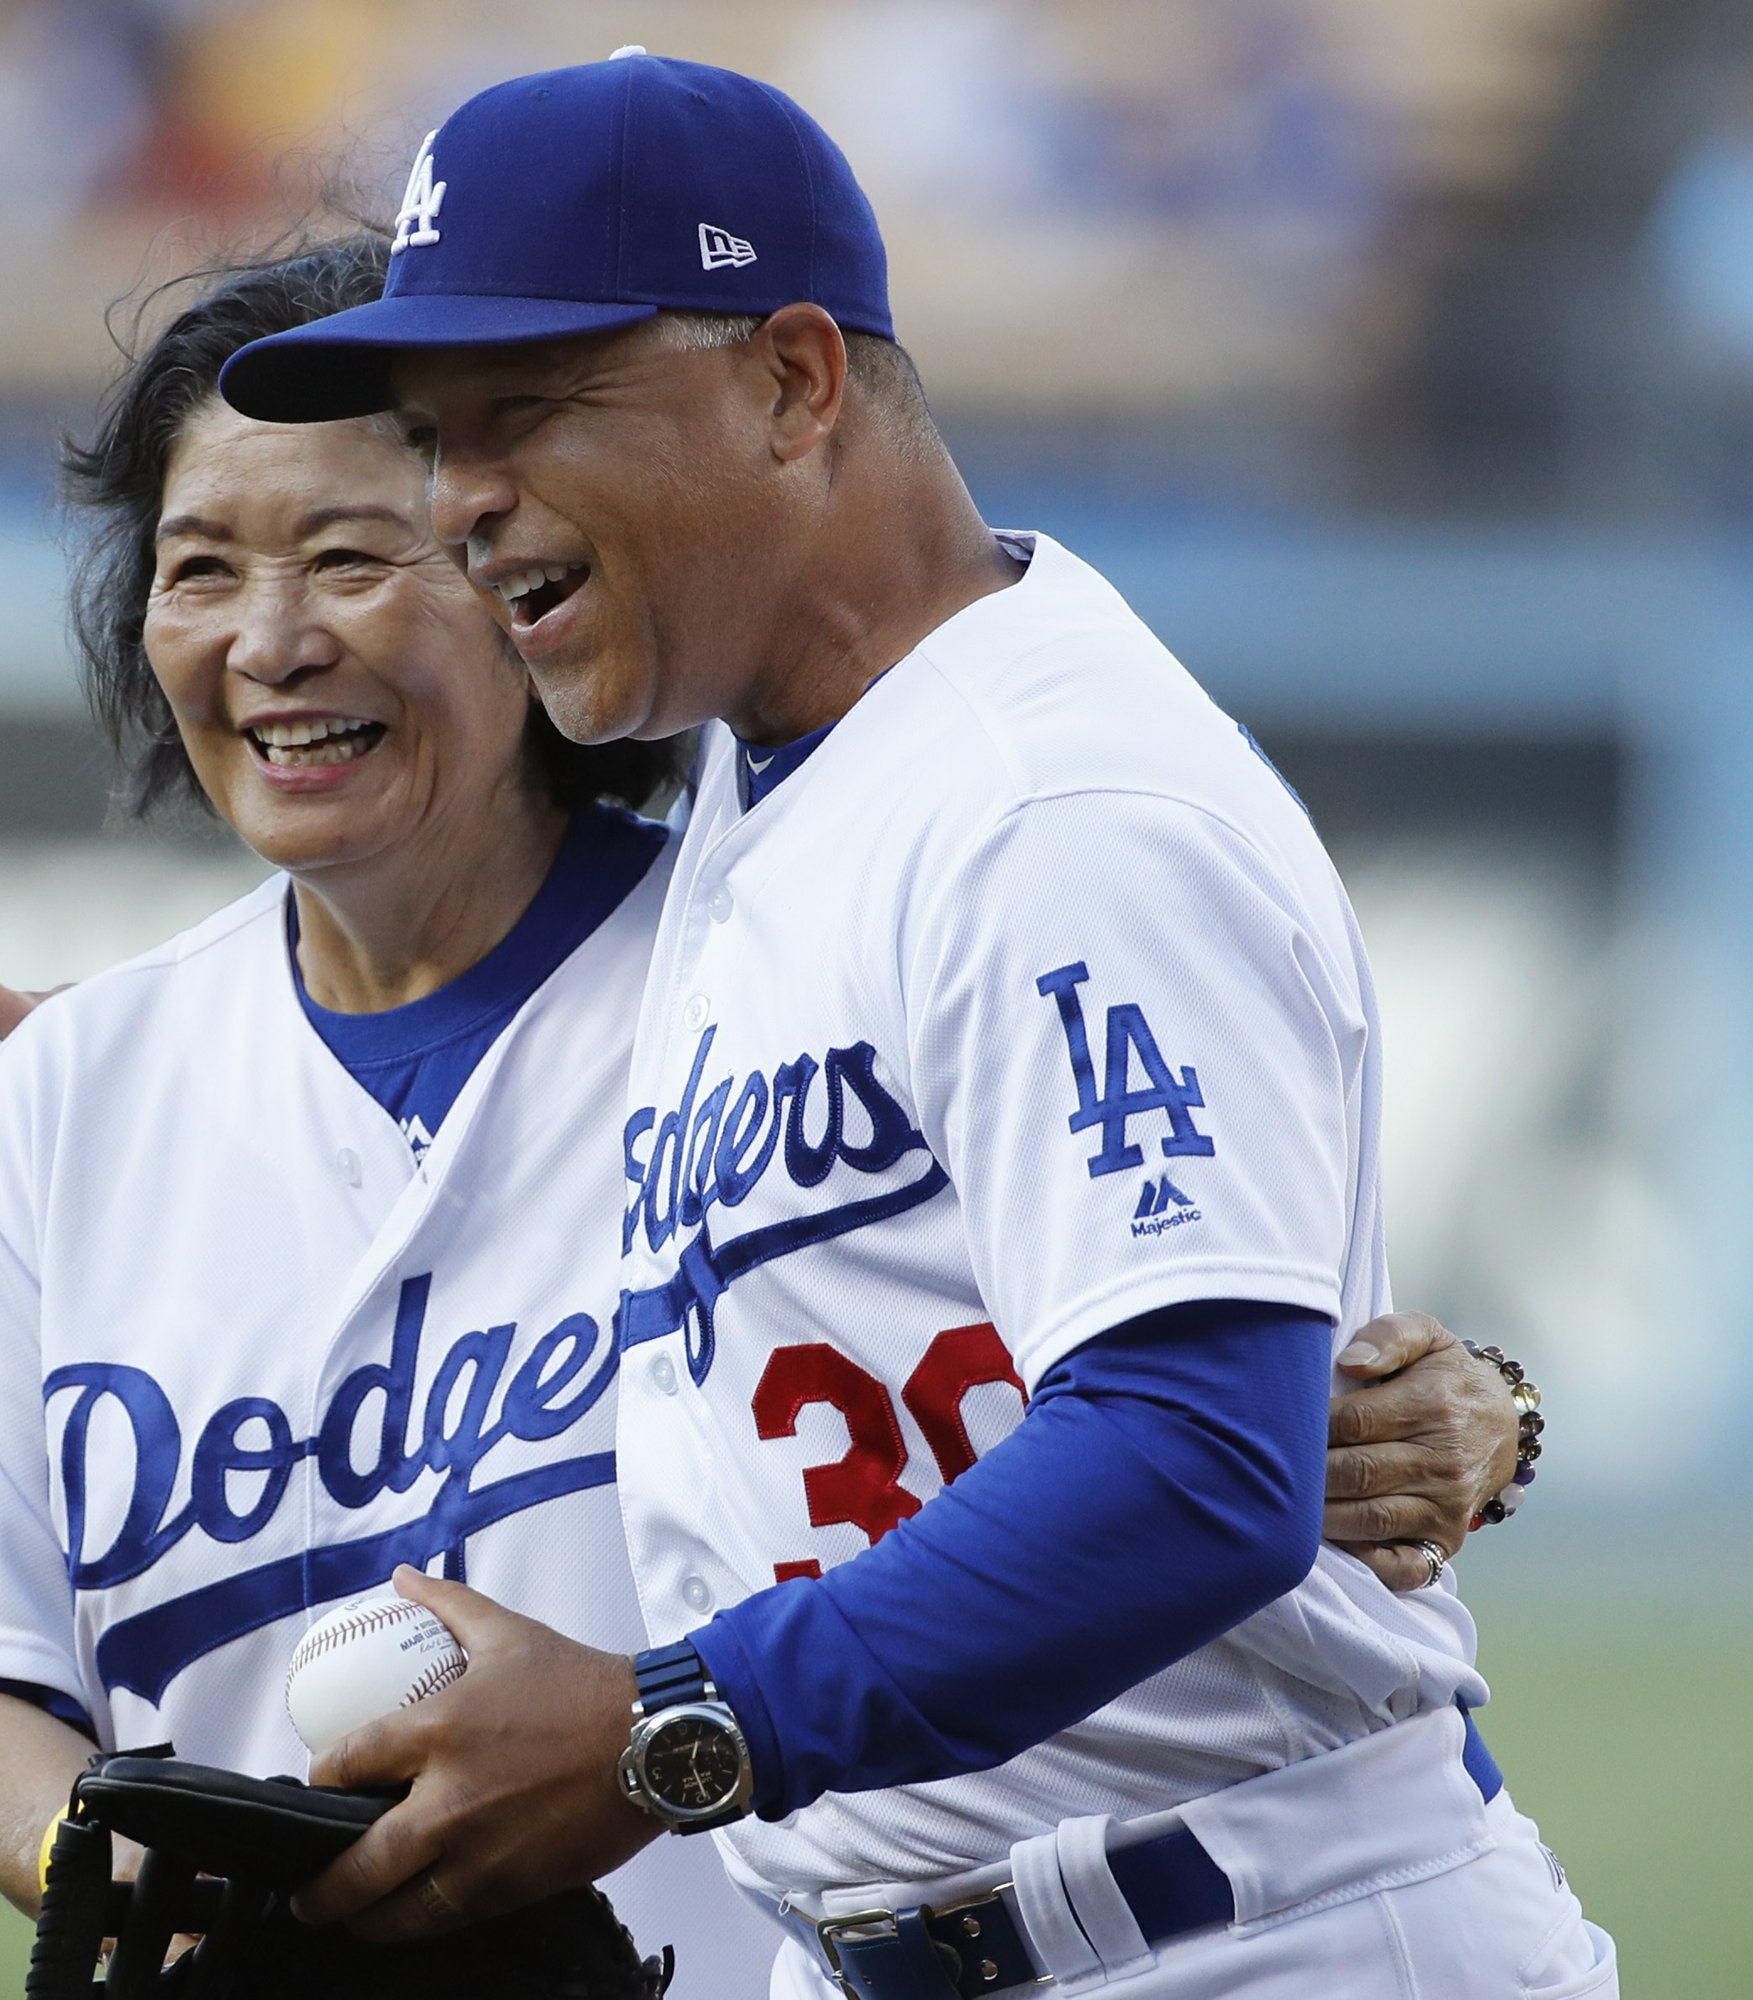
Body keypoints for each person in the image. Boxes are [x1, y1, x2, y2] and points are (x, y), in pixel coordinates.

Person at [0, 230, 1532, 1998]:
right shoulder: (70, 1105)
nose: (274, 641)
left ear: (525, 585)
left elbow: (1214, 1386)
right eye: (199, 567)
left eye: (356, 554)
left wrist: (1465, 1406)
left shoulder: (785, 958)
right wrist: (189, 1912)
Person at [211, 52, 1612, 2000]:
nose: (459, 504)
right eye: (436, 441)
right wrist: (66, 1125)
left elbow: (1193, 1464)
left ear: (793, 382)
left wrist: (661, 1727)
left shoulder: (1048, 795)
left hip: (1241, 1937)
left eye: (521, 411)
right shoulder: (752, 773)